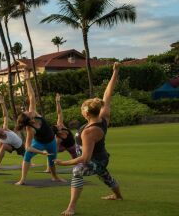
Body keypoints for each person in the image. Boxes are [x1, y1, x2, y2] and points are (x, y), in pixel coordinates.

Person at [56, 62, 123, 216]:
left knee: (77, 171)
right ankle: (118, 195)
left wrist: (63, 162)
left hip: (95, 159)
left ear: (86, 114)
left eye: (81, 109)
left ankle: (71, 207)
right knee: (104, 175)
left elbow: (85, 158)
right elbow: (107, 94)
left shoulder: (89, 132)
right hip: (101, 157)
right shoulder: (103, 116)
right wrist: (115, 72)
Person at [15, 78, 65, 185]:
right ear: (30, 119)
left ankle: (55, 177)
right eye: (27, 113)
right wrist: (41, 152)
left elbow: (32, 96)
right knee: (27, 155)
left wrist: (27, 81)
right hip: (39, 143)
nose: (28, 111)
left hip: (51, 141)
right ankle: (22, 179)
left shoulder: (35, 113)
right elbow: (28, 147)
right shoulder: (30, 129)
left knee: (52, 160)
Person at [44, 93, 77, 173]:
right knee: (51, 152)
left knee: (76, 159)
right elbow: (56, 149)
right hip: (62, 146)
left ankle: (78, 167)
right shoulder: (58, 138)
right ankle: (49, 168)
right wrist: (51, 153)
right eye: (57, 126)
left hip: (71, 146)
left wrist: (57, 102)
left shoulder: (61, 124)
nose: (58, 124)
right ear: (57, 131)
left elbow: (59, 113)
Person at [0, 95, 25, 169]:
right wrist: (0, 152)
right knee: (3, 147)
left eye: (0, 128)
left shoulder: (5, 128)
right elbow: (0, 150)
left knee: (25, 155)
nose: (1, 128)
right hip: (11, 146)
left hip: (19, 144)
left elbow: (5, 116)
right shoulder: (1, 140)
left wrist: (2, 104)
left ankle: (30, 163)